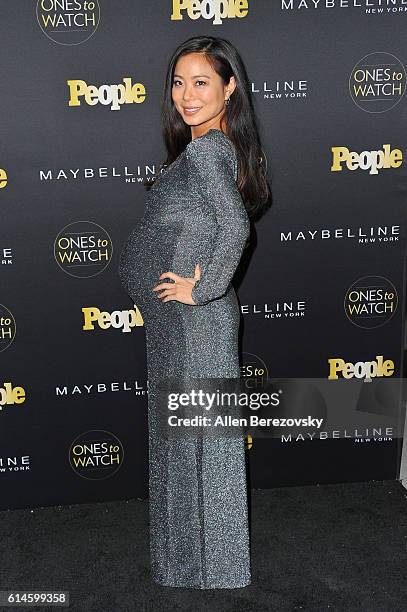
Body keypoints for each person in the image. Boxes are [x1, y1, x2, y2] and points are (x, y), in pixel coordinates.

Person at [118, 35, 271, 589]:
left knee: (203, 446)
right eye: (179, 82)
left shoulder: (209, 151)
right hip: (176, 329)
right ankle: (187, 562)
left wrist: (199, 289)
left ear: (230, 88)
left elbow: (234, 228)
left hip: (193, 326)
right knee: (186, 444)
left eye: (201, 82)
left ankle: (211, 567)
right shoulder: (204, 146)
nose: (186, 95)